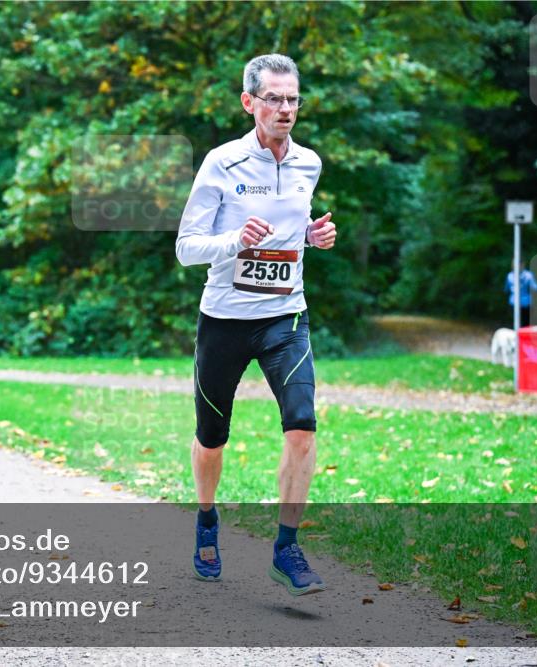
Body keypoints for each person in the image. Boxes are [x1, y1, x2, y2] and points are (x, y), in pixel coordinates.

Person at [175, 54, 337, 596]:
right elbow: (185, 247)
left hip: (285, 315)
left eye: (293, 99)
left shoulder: (308, 163)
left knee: (302, 425)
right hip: (224, 320)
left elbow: (294, 229)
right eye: (275, 98)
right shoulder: (221, 162)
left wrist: (311, 238)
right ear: (250, 102)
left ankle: (287, 547)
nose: (286, 109)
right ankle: (205, 519)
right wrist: (234, 240)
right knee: (212, 437)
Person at [506, 261, 537, 329]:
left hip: (514, 303)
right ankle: (523, 338)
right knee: (526, 325)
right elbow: (536, 288)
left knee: (515, 324)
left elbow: (506, 289)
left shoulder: (509, 276)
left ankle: (516, 338)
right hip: (526, 304)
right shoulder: (529, 275)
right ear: (523, 265)